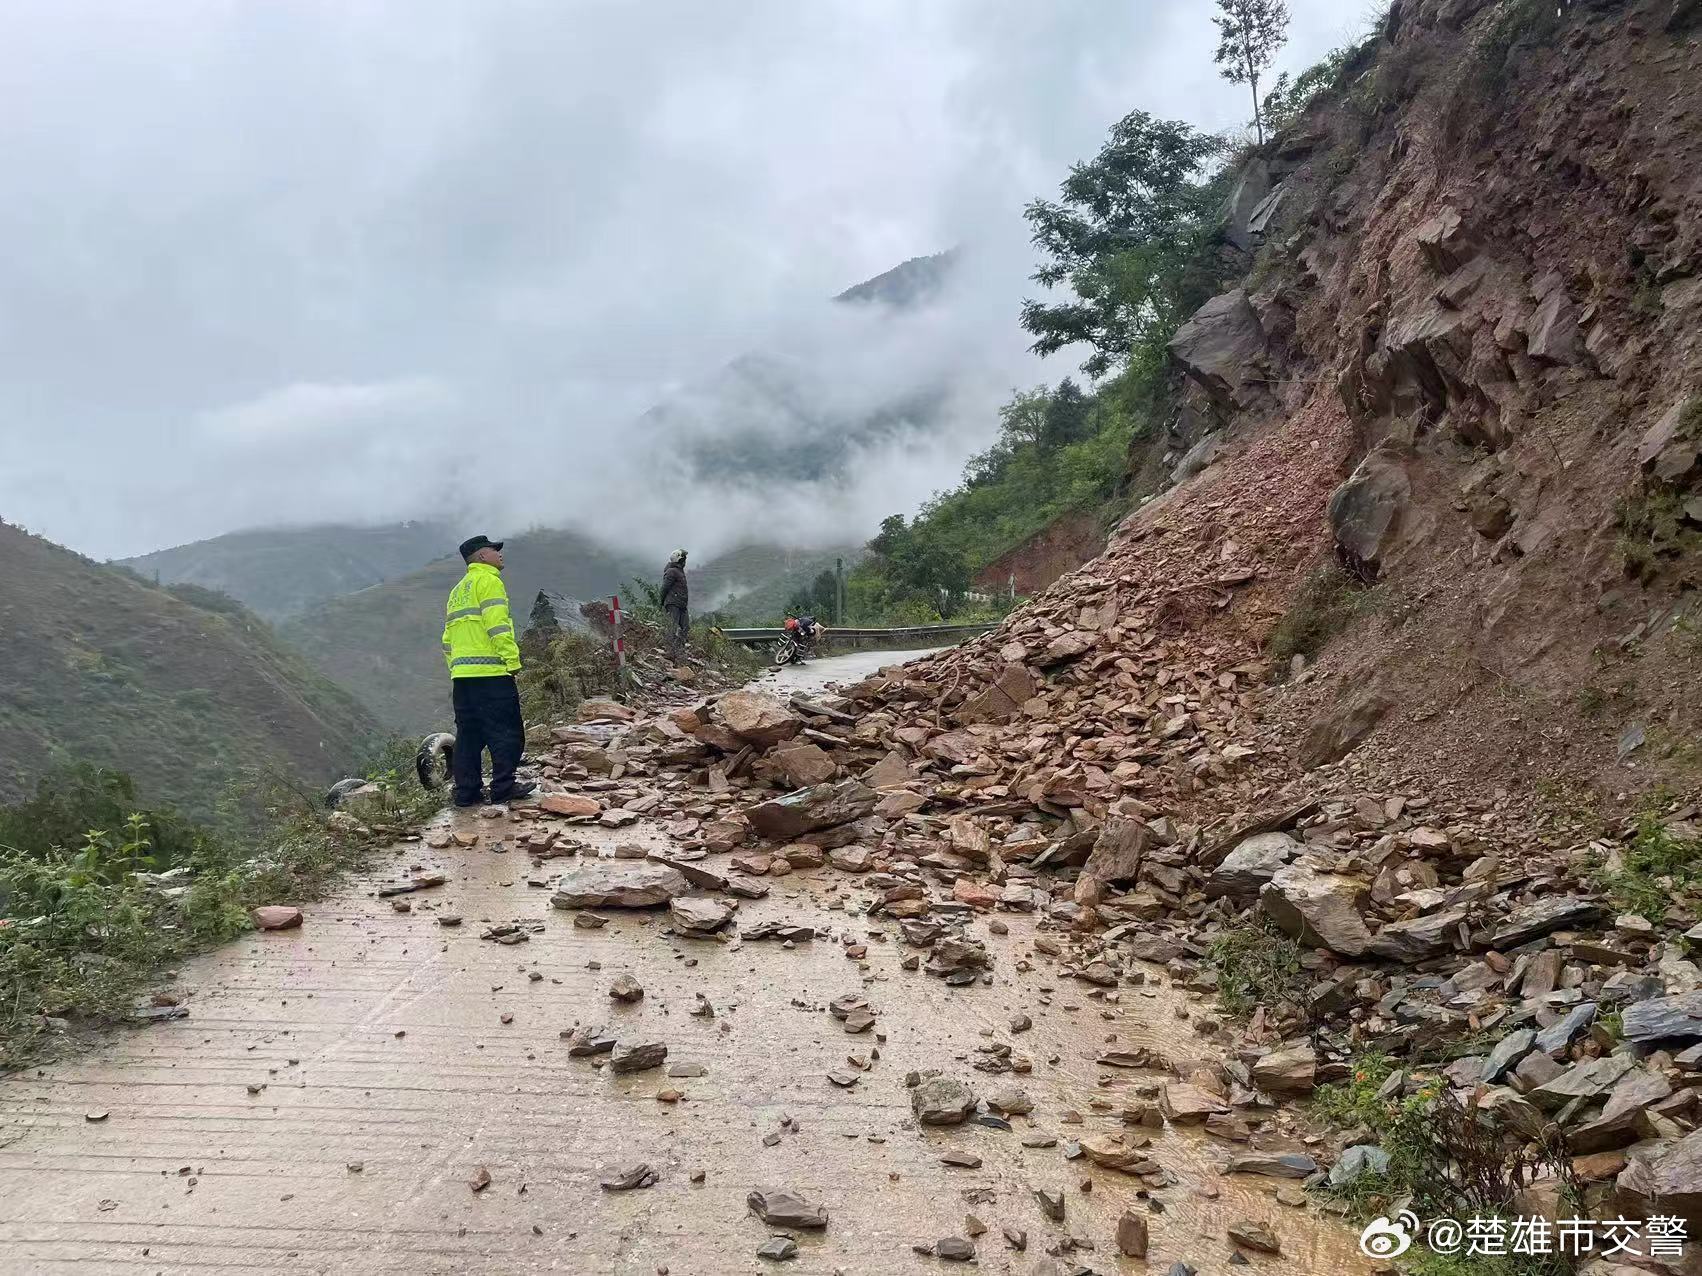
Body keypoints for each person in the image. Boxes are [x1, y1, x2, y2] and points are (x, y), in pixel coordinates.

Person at [442, 535, 535, 807]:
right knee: (506, 732)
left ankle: (466, 793)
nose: (499, 554)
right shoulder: (489, 581)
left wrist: (456, 669)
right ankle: (503, 788)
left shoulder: (458, 590)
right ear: (482, 556)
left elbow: (447, 639)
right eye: (495, 550)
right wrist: (511, 661)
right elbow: (498, 626)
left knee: (468, 736)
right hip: (491, 674)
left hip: (462, 678)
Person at [661, 548, 689, 657]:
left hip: (681, 604)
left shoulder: (679, 571)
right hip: (673, 603)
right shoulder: (671, 571)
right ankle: (670, 650)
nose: (685, 561)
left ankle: (679, 650)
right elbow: (664, 588)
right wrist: (662, 602)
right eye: (684, 559)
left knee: (685, 627)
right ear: (680, 560)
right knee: (672, 626)